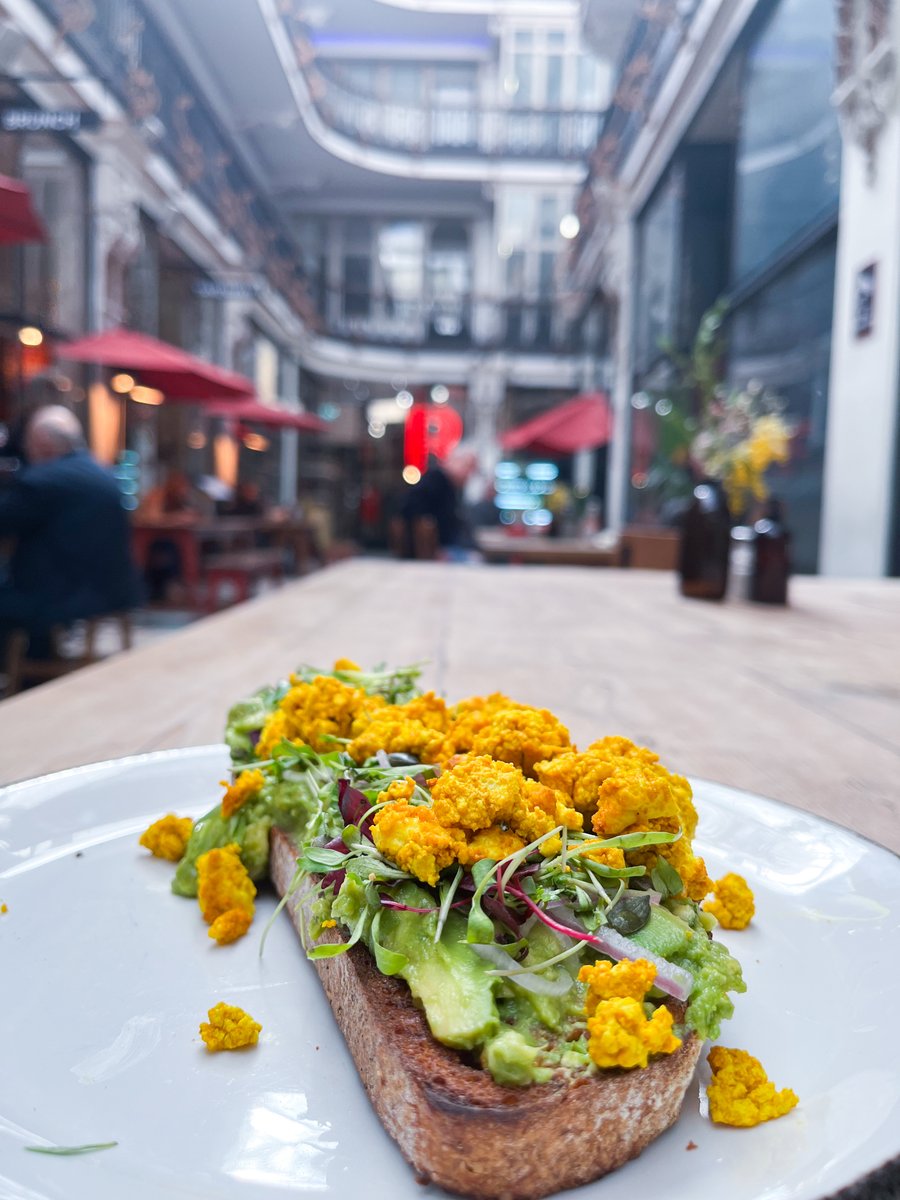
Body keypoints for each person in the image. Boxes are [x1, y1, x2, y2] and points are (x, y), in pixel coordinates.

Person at [0, 406, 141, 658]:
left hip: (62, 596)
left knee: (11, 599)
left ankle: (27, 676)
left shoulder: (41, 480)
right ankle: (36, 666)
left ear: (42, 443)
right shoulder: (103, 473)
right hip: (114, 590)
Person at [398, 448, 478, 559]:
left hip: (445, 549)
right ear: (455, 462)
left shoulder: (448, 485)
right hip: (438, 553)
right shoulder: (437, 480)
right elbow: (409, 510)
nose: (469, 476)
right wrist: (432, 548)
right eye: (468, 468)